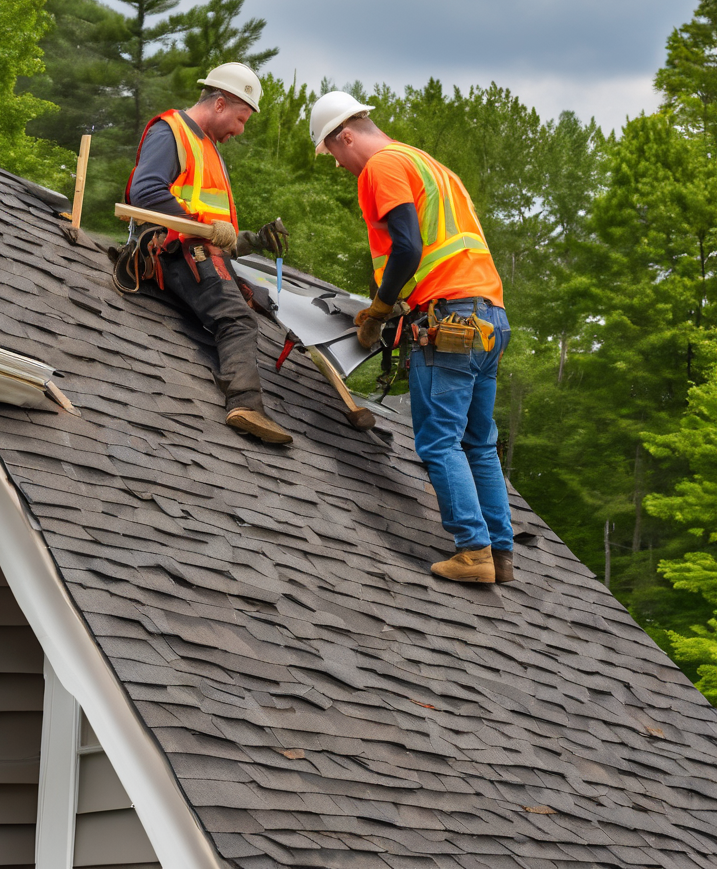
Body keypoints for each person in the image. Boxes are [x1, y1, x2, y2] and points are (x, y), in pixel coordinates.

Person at [310, 90, 514, 584]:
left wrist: (379, 310)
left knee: (438, 442)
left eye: (333, 152)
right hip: (490, 320)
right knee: (478, 443)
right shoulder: (431, 166)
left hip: (449, 323)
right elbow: (434, 253)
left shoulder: (382, 165)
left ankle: (473, 551)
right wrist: (400, 301)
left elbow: (407, 247)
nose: (339, 165)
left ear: (346, 135)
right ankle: (501, 554)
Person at [125, 62, 292, 445]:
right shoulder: (172, 131)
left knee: (260, 302)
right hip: (173, 250)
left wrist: (252, 239)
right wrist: (200, 226)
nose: (240, 129)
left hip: (198, 249)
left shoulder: (210, 149)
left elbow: (216, 230)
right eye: (240, 118)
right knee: (237, 319)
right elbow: (145, 192)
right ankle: (245, 405)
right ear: (219, 104)